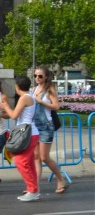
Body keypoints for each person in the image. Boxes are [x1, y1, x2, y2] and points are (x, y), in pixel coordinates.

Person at [0, 75, 41, 201]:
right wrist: (4, 111)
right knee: (28, 162)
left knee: (20, 161)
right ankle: (33, 189)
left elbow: (14, 115)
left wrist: (5, 106)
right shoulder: (29, 97)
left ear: (17, 87)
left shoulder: (24, 98)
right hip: (31, 132)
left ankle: (32, 189)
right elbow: (17, 115)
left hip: (27, 134)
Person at [32, 65, 68, 194]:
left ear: (46, 77)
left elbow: (56, 106)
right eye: (35, 75)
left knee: (44, 157)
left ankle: (60, 179)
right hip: (35, 126)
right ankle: (35, 187)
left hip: (46, 126)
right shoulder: (34, 89)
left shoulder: (49, 89)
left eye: (40, 76)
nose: (37, 78)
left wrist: (41, 102)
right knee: (36, 157)